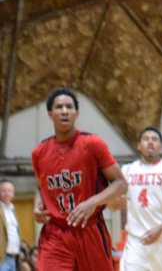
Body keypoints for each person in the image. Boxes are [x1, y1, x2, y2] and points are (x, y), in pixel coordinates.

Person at [31, 87, 127, 271]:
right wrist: (37, 206)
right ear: (50, 114)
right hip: (55, 233)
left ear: (77, 113)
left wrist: (93, 202)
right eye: (59, 107)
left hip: (89, 230)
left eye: (69, 107)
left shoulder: (92, 144)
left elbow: (121, 183)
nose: (64, 111)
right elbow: (40, 187)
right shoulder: (39, 153)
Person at [117, 126, 162, 271]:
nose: (150, 142)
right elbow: (116, 203)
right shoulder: (127, 170)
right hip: (136, 241)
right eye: (146, 139)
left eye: (154, 139)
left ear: (160, 146)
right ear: (139, 145)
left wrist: (160, 228)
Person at [0, 179, 20, 271]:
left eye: (9, 191)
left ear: (13, 193)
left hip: (13, 257)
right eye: (3, 190)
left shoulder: (13, 209)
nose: (7, 193)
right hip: (2, 258)